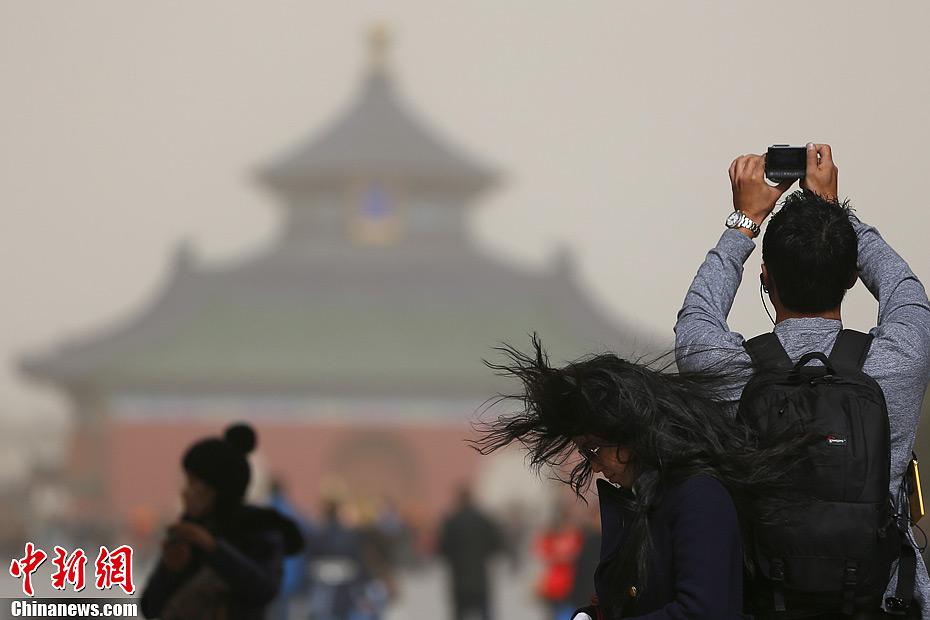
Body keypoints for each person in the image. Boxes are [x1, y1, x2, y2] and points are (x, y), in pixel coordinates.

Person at [675, 143, 930, 618]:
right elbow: (905, 290)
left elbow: (696, 317)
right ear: (852, 277)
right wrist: (833, 212)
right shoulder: (897, 362)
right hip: (881, 604)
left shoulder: (733, 372)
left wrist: (744, 222)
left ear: (766, 280)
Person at [475, 337, 807, 619]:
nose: (592, 466)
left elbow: (702, 610)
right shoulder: (647, 500)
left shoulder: (698, 496)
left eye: (593, 449)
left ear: (626, 434)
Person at [141, 423, 304, 619]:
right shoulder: (187, 533)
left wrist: (213, 548)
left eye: (193, 483)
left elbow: (263, 590)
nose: (185, 492)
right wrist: (170, 571)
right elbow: (150, 608)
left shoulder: (259, 529)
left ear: (216, 490)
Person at [437, 485, 503, 620]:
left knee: (459, 614)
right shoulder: (483, 520)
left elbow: (442, 550)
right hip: (480, 578)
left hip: (459, 579)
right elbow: (497, 544)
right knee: (484, 612)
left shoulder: (451, 522)